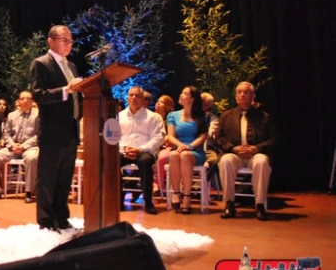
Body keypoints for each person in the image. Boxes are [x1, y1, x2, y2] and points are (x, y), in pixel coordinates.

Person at [30, 25, 83, 231]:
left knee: (64, 179)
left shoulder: (72, 66)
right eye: (64, 40)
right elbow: (38, 95)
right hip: (52, 131)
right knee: (48, 179)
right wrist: (65, 90)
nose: (69, 44)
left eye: (70, 40)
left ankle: (62, 218)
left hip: (71, 129)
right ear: (51, 41)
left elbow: (75, 97)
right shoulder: (41, 64)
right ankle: (46, 221)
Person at [216, 82, 275, 221]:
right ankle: (229, 204)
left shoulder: (264, 117)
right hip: (235, 154)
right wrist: (233, 148)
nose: (242, 95)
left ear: (253, 96)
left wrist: (256, 148)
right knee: (226, 160)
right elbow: (218, 138)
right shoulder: (226, 116)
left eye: (246, 92)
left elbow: (273, 139)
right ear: (236, 96)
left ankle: (259, 205)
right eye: (239, 92)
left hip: (255, 154)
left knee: (262, 161)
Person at [0, 91, 39, 203]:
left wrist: (23, 146)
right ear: (18, 101)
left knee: (31, 158)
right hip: (14, 147)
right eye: (23, 98)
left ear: (32, 101)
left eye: (28, 99)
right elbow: (6, 134)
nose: (26, 101)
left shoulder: (38, 114)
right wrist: (13, 145)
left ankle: (29, 192)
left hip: (31, 147)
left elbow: (39, 135)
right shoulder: (12, 115)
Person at [117, 86, 165, 214]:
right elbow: (115, 137)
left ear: (143, 99)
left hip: (145, 151)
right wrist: (125, 148)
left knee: (145, 161)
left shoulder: (153, 117)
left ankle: (148, 201)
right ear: (127, 98)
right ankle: (117, 199)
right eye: (131, 95)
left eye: (137, 95)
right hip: (124, 150)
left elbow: (157, 138)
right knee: (111, 160)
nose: (133, 98)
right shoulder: (119, 116)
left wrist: (140, 149)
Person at [166, 86, 208, 214]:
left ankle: (187, 196)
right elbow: (170, 136)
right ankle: (176, 193)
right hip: (178, 149)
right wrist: (180, 145)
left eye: (184, 93)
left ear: (192, 99)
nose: (180, 95)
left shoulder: (202, 116)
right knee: (173, 155)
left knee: (184, 155)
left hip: (195, 152)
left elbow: (202, 137)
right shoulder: (172, 115)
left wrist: (188, 147)